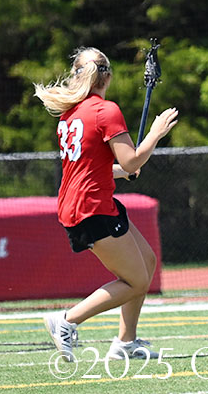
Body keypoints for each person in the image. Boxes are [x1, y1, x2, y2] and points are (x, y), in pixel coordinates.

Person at [37, 47, 179, 362]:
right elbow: (131, 161)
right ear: (108, 77)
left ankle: (125, 343)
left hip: (83, 203)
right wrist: (155, 134)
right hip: (92, 208)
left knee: (147, 261)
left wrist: (123, 171)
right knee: (136, 281)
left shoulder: (71, 113)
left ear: (78, 76)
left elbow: (91, 167)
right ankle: (67, 320)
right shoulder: (105, 110)